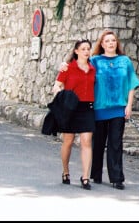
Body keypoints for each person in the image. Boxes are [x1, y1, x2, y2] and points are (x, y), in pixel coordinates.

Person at [64, 29, 139, 190]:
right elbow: (78, 66)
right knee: (97, 143)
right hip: (98, 108)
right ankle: (95, 174)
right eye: (107, 41)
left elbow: (131, 84)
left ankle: (117, 178)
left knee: (115, 143)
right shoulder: (95, 60)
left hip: (118, 108)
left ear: (116, 43)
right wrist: (64, 66)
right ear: (102, 44)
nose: (111, 43)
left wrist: (129, 105)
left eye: (113, 40)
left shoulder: (125, 61)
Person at [52, 39, 96, 190]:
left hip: (87, 107)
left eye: (88, 49)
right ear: (76, 51)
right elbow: (56, 86)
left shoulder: (93, 68)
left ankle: (85, 177)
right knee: (68, 141)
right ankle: (65, 171)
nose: (86, 51)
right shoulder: (67, 68)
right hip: (71, 108)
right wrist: (62, 95)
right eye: (83, 49)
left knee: (86, 141)